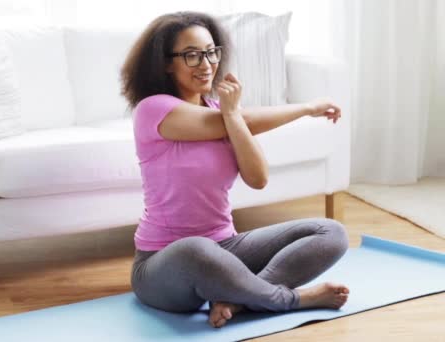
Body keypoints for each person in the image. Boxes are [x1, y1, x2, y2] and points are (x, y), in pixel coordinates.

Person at [120, 11, 350, 329]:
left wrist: (233, 115)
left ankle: (237, 300)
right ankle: (289, 299)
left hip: (227, 248)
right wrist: (307, 108)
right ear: (166, 63)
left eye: (211, 52)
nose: (206, 64)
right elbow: (230, 122)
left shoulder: (223, 114)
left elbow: (258, 178)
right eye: (191, 55)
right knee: (195, 248)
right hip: (164, 264)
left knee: (332, 233)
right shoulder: (153, 109)